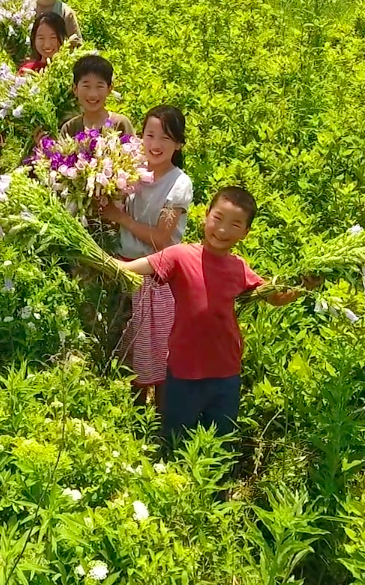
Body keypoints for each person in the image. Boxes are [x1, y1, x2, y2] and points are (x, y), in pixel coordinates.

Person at [116, 187, 308, 446]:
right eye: (218, 218)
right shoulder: (180, 255)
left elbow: (274, 297)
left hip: (225, 372)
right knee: (176, 441)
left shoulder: (239, 268)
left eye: (235, 224)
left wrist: (305, 285)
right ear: (205, 216)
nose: (222, 230)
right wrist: (98, 259)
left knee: (220, 443)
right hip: (183, 371)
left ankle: (217, 487)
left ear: (245, 233)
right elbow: (129, 269)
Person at [101, 106, 193, 411]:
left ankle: (162, 427)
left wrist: (119, 217)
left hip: (157, 279)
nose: (155, 143)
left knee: (158, 357)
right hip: (122, 269)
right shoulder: (130, 169)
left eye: (165, 138)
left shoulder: (179, 184)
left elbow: (162, 237)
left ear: (178, 144)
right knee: (129, 357)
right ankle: (135, 422)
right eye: (150, 135)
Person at [58, 55, 134, 138]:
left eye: (99, 86)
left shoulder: (120, 124)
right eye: (86, 86)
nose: (92, 94)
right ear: (75, 89)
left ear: (109, 89)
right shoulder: (70, 128)